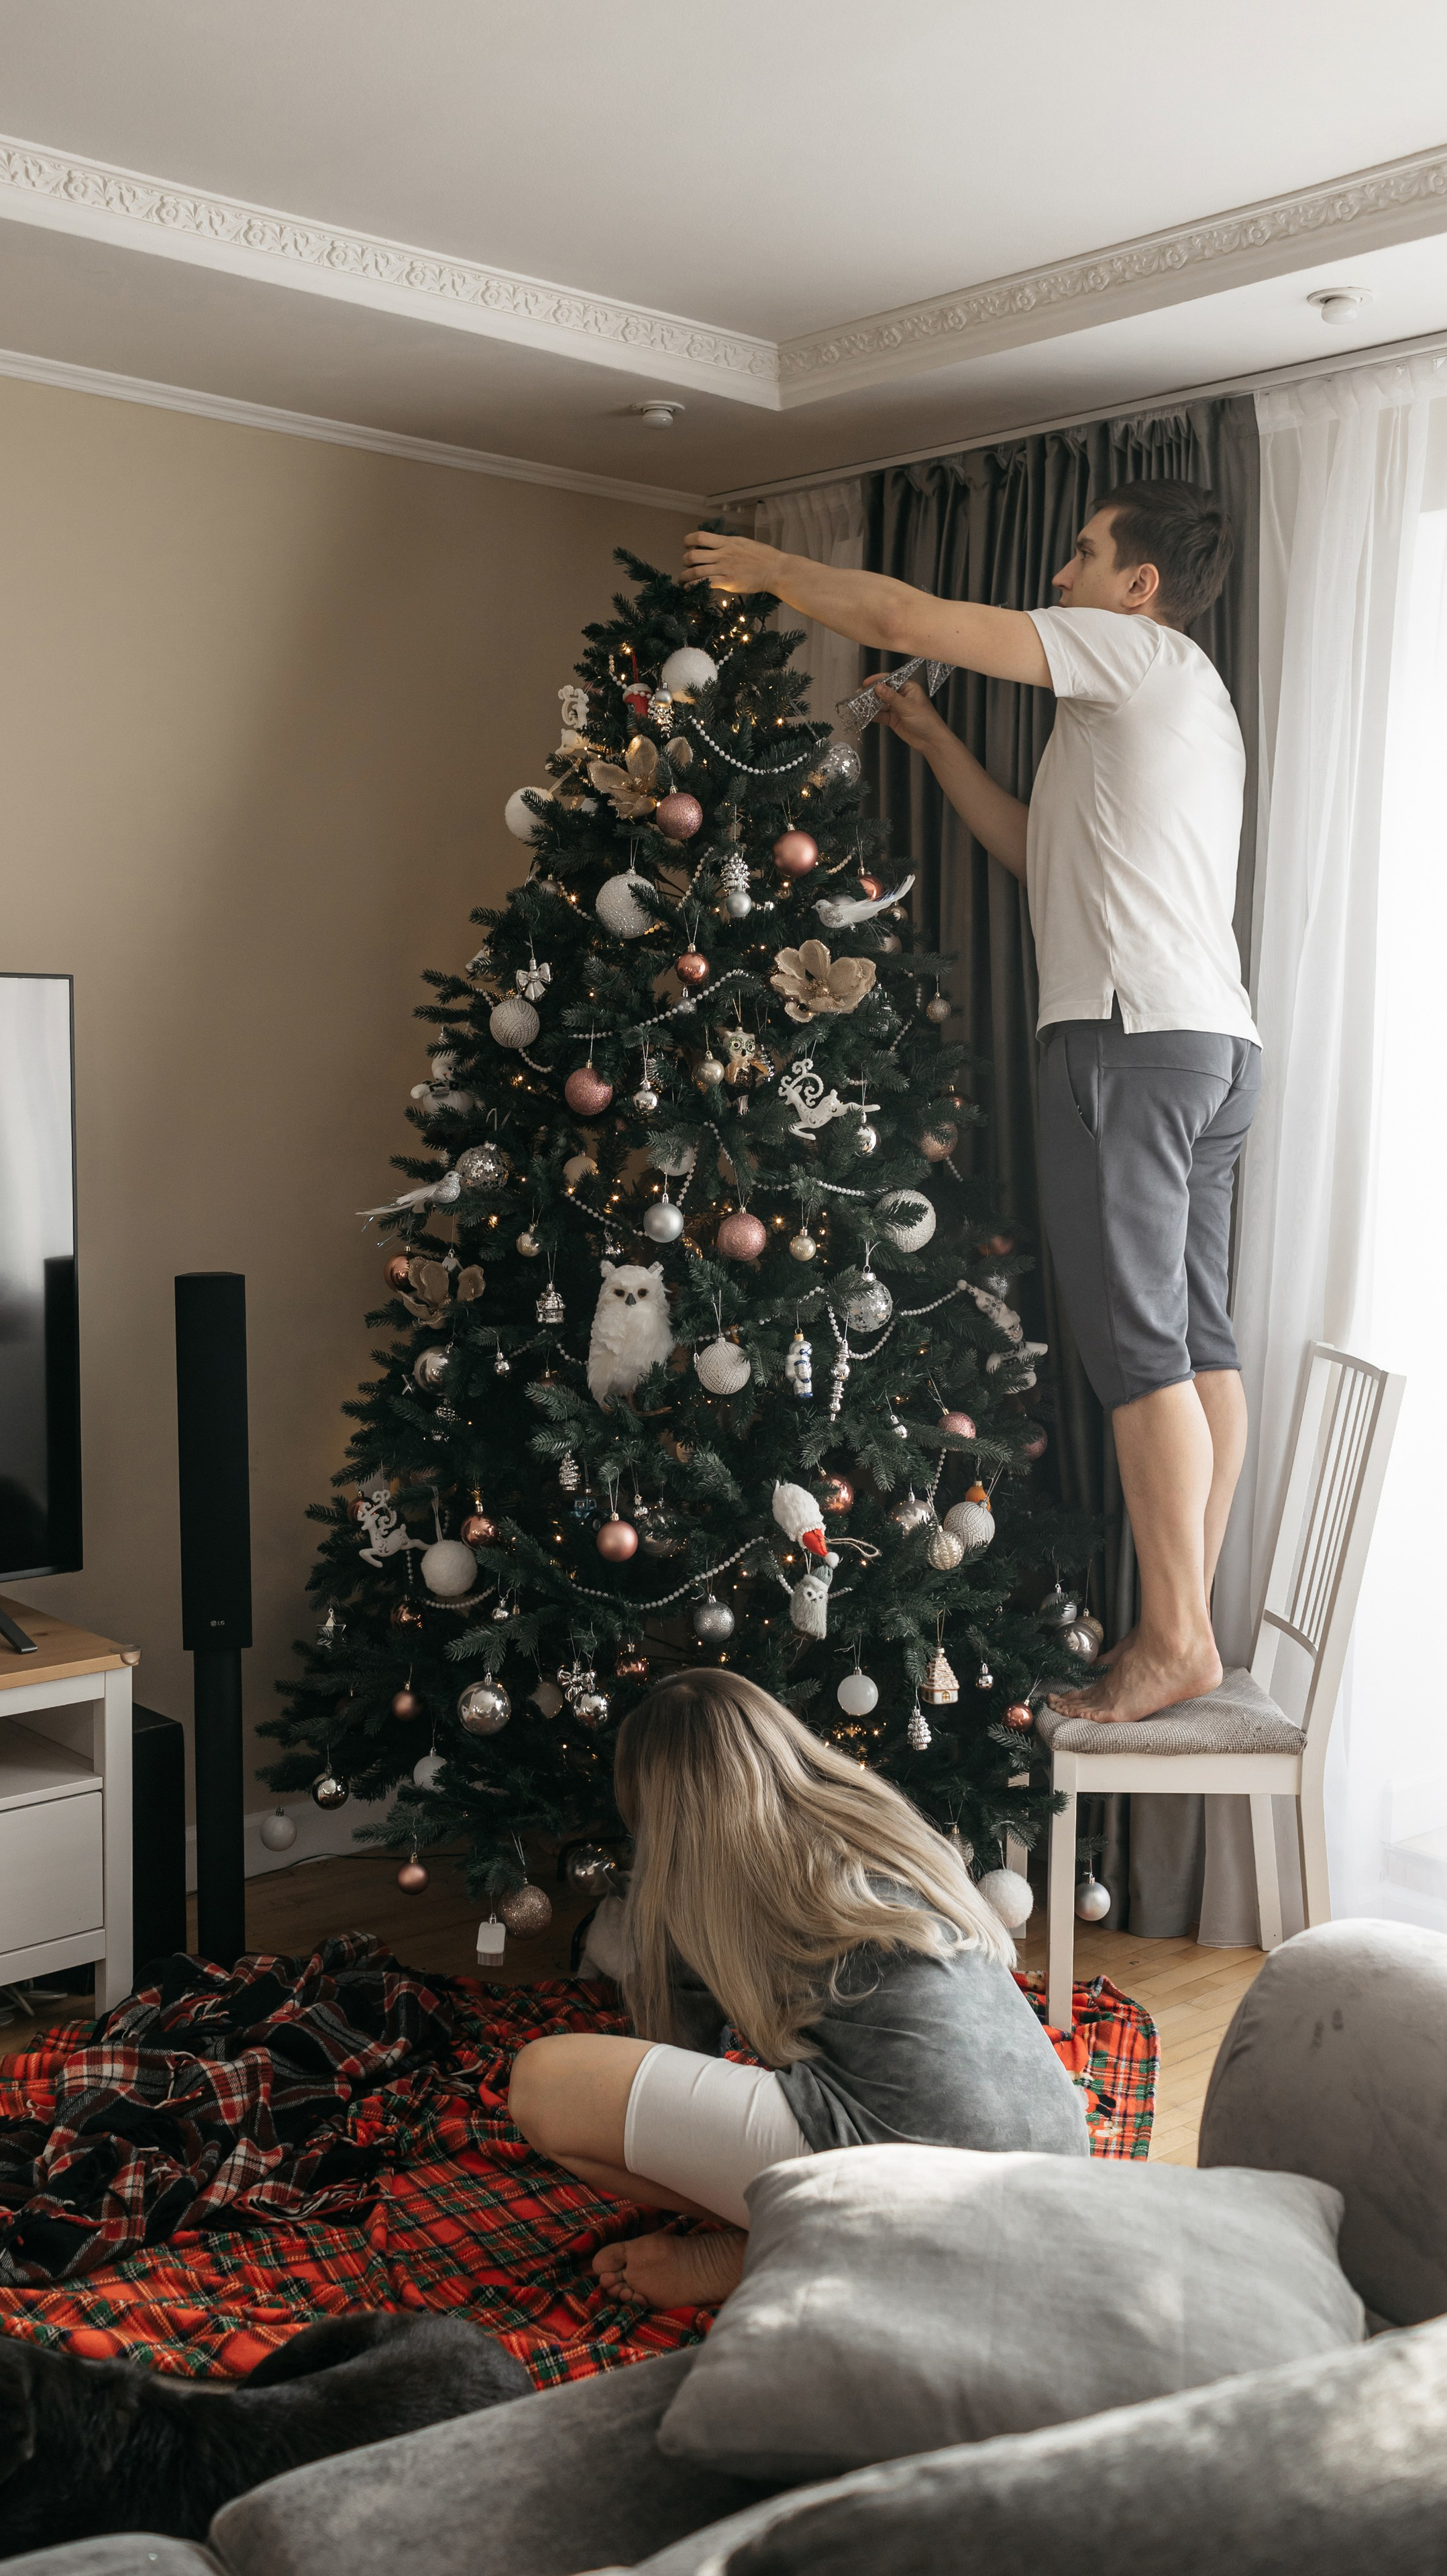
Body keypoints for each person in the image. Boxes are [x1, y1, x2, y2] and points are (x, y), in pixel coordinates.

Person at [683, 488, 1260, 1725]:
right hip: (1208, 1043)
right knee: (1199, 1340)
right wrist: (936, 741)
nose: (1063, 568)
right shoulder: (1179, 701)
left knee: (1140, 1353)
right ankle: (1189, 1620)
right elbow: (1033, 848)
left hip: (1122, 1044)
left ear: (1139, 585)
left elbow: (909, 612)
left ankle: (1173, 1638)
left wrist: (775, 567)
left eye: (1085, 552)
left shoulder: (1129, 651)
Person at [507, 1671, 1087, 2312]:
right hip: (1055, 2168)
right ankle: (834, 2235)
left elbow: (677, 2048)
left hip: (926, 2196)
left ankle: (787, 2246)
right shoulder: (876, 1824)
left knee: (543, 2082)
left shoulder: (705, 1881)